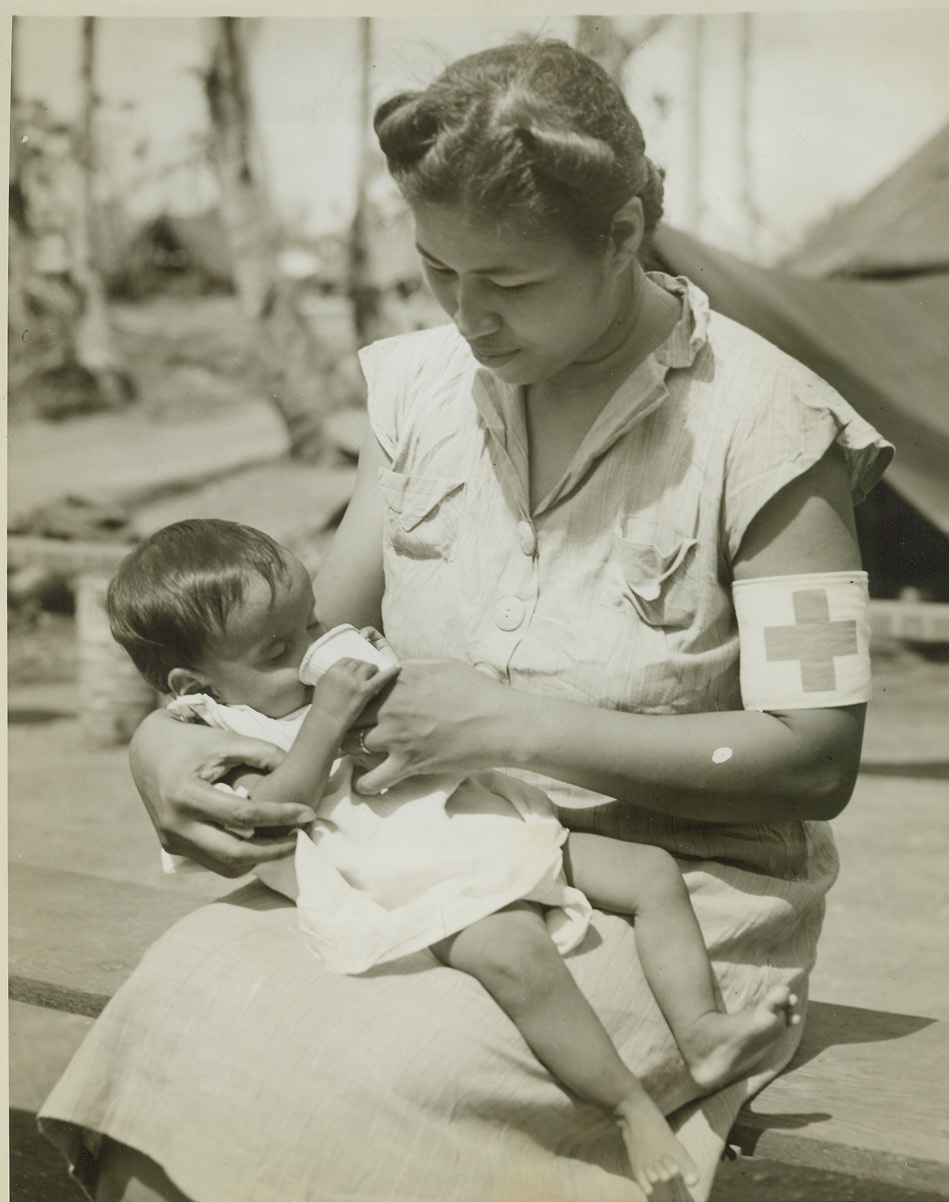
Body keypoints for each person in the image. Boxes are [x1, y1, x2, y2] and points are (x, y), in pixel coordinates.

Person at [40, 38, 892, 1202]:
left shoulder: (775, 430)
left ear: (625, 235)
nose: (470, 318)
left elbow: (819, 756)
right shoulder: (421, 393)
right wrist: (165, 744)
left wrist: (512, 725)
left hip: (668, 900)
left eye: (512, 281)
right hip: (423, 855)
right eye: (439, 271)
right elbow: (293, 647)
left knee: (383, 1070)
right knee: (184, 994)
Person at [106, 517, 804, 1196]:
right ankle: (628, 1107)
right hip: (421, 881)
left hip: (492, 828)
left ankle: (703, 1031)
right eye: (277, 650)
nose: (311, 649)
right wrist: (323, 719)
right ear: (193, 688)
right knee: (518, 958)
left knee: (649, 873)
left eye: (311, 624)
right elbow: (277, 807)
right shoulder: (228, 727)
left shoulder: (301, 680)